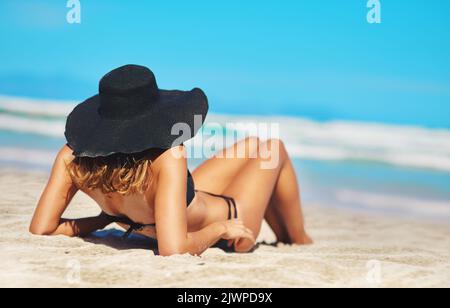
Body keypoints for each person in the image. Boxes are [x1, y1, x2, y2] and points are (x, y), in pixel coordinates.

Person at [30, 65, 312, 256]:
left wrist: (102, 220)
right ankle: (298, 240)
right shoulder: (168, 157)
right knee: (274, 148)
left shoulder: (71, 158)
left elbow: (43, 228)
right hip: (228, 221)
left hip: (186, 204)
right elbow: (174, 250)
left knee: (253, 144)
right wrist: (222, 228)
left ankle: (289, 237)